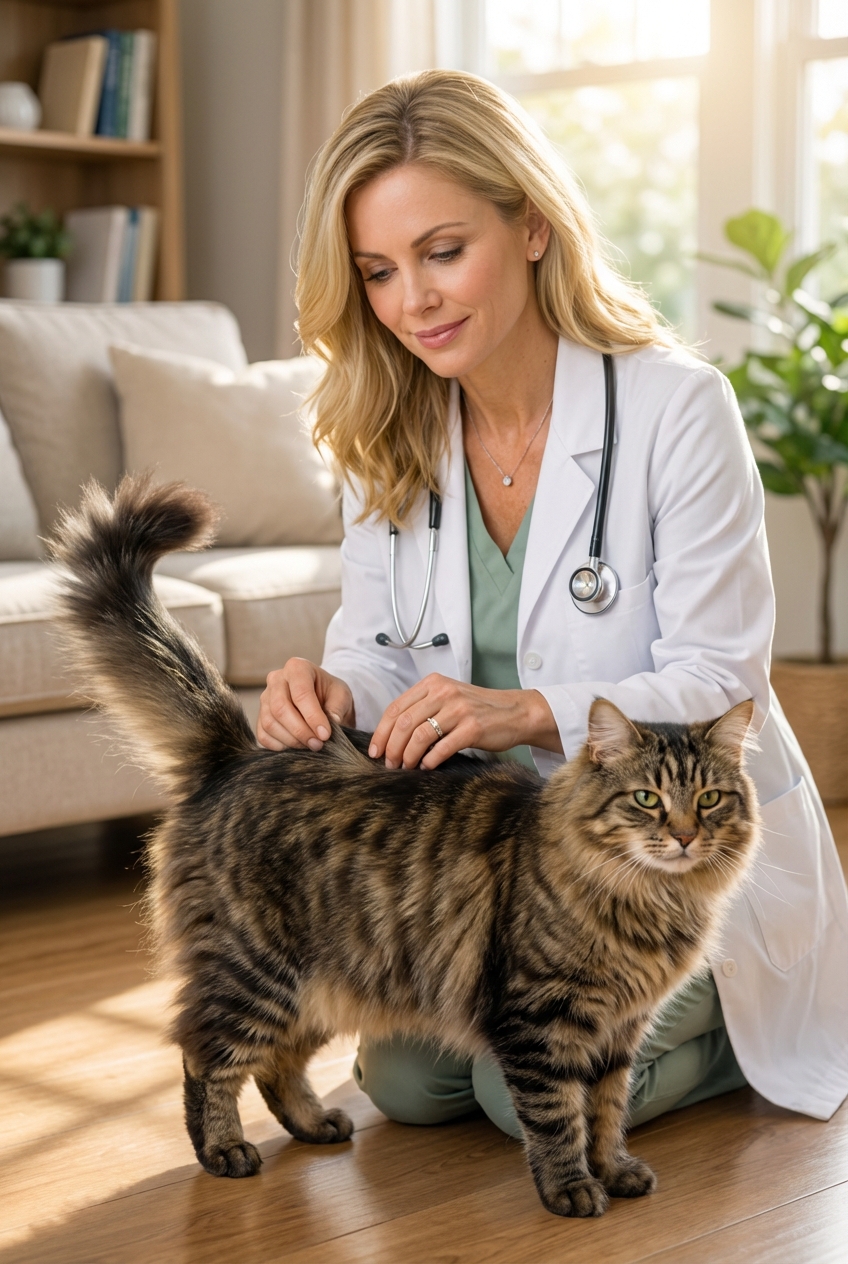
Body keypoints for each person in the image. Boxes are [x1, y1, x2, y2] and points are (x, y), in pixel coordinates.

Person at [257, 69, 848, 1133]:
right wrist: (330, 689)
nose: (412, 301)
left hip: (653, 861)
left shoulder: (675, 407)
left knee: (514, 1087)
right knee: (409, 1085)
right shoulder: (386, 429)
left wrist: (527, 710)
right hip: (483, 869)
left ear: (529, 225)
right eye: (377, 271)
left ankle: (751, 1015)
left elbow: (720, 675)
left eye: (443, 252)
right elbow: (380, 650)